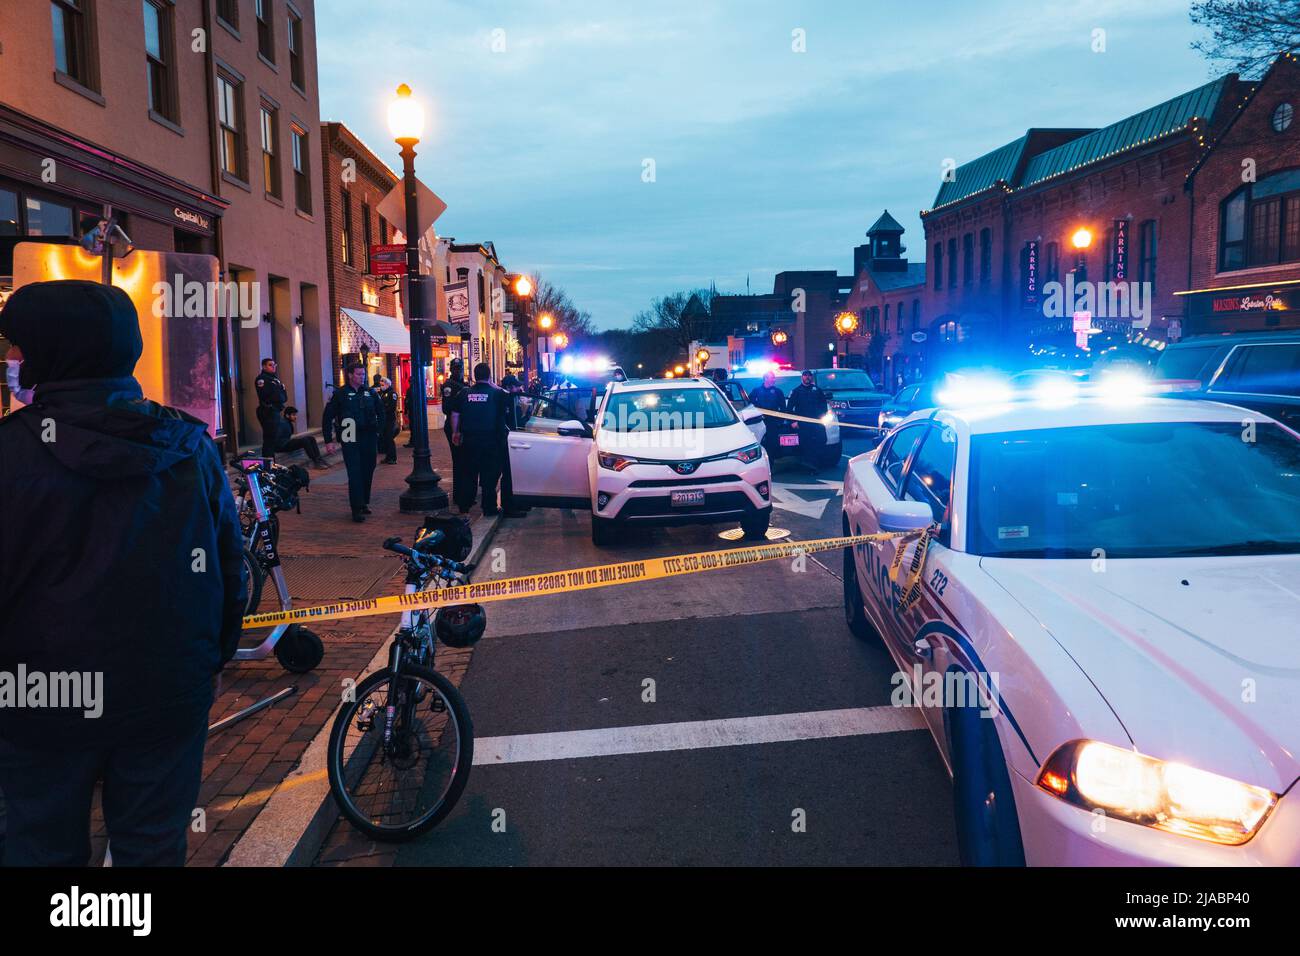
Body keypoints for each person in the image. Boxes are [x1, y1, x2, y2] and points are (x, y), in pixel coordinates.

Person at [0, 280, 245, 866]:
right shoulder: (188, 443)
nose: (12, 359)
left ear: (45, 352)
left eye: (17, 347)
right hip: (164, 685)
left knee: (39, 844)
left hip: (40, 694)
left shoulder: (12, 454)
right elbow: (229, 568)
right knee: (152, 846)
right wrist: (213, 658)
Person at [323, 363, 383, 522]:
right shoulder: (340, 394)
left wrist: (381, 432)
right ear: (350, 375)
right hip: (350, 435)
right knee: (355, 471)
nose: (362, 377)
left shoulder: (370, 392)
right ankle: (356, 508)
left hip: (369, 435)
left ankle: (363, 502)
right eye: (358, 374)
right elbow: (327, 416)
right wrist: (328, 440)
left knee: (368, 469)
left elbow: (381, 412)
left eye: (363, 374)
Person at [449, 362, 508, 516]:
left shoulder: (464, 393)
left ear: (474, 376)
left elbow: (455, 414)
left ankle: (464, 506)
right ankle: (489, 507)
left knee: (468, 474)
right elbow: (507, 395)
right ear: (489, 376)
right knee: (489, 476)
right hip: (491, 441)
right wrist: (492, 384)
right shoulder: (497, 394)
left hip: (469, 440)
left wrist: (455, 432)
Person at [497, 373, 529, 518]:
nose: (519, 388)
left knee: (515, 473)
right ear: (509, 387)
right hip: (507, 441)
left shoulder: (511, 398)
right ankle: (509, 506)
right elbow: (510, 421)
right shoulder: (505, 399)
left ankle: (518, 502)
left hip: (512, 439)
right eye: (516, 386)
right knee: (508, 474)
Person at [440, 358, 468, 508]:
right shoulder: (449, 386)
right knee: (459, 461)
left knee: (464, 461)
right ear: (451, 369)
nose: (458, 371)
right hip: (453, 426)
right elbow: (447, 408)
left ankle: (464, 493)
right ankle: (459, 495)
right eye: (455, 368)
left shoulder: (463, 385)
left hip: (463, 426)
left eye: (460, 368)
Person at [786, 368, 830, 464]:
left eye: (809, 375)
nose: (807, 377)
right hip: (803, 424)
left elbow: (824, 406)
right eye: (805, 375)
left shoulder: (817, 391)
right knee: (806, 444)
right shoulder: (796, 391)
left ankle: (815, 463)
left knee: (821, 441)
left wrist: (822, 417)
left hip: (817, 422)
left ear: (811, 377)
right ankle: (810, 466)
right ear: (802, 377)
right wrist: (792, 422)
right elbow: (789, 408)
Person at [748, 369, 787, 458]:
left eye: (774, 378)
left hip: (773, 423)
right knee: (760, 443)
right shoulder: (756, 391)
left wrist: (780, 422)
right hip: (759, 422)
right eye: (772, 378)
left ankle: (771, 463)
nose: (774, 380)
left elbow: (783, 408)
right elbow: (749, 405)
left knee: (772, 445)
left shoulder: (778, 392)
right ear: (765, 378)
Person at [254, 357, 287, 458]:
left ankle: (271, 463)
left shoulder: (275, 379)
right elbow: (267, 395)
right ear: (264, 367)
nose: (273, 367)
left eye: (274, 365)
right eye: (270, 365)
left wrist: (279, 391)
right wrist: (278, 391)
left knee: (273, 438)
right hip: (267, 411)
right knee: (269, 439)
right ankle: (268, 464)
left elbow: (284, 397)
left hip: (275, 411)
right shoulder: (261, 379)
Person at [377, 377, 399, 464]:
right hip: (384, 419)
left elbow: (392, 407)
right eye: (381, 385)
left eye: (383, 385)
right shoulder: (383, 393)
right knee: (385, 438)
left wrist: (383, 411)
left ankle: (392, 458)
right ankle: (388, 456)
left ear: (388, 384)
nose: (381, 386)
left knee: (389, 438)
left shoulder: (392, 393)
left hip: (389, 419)